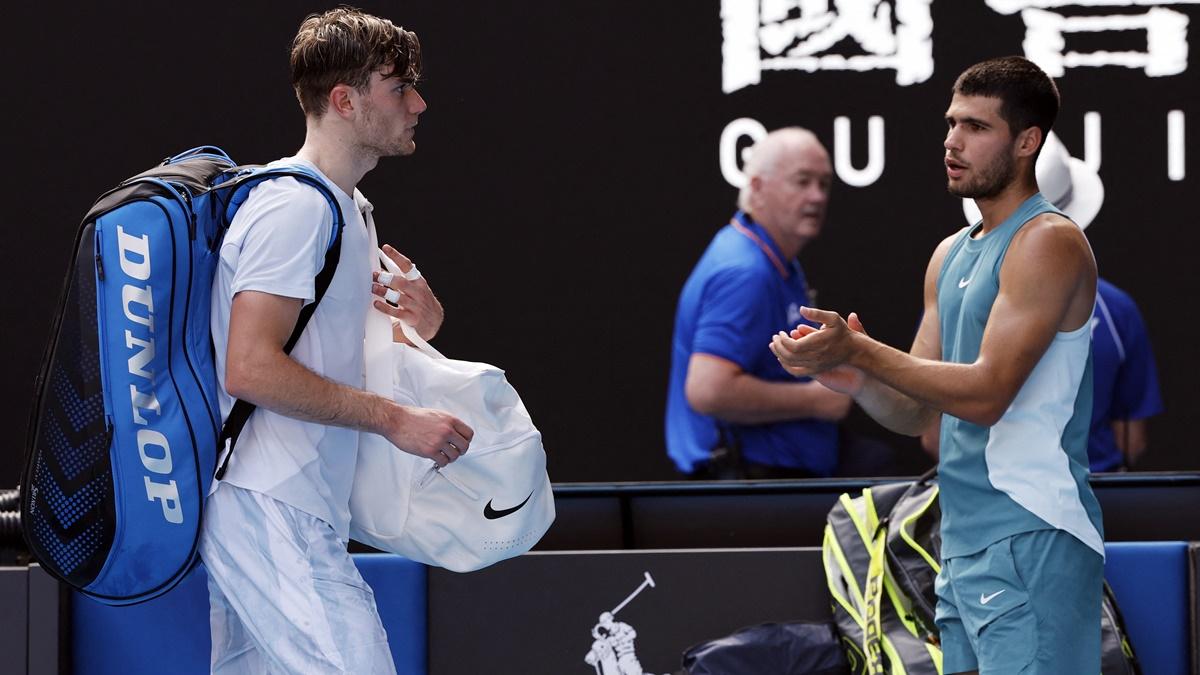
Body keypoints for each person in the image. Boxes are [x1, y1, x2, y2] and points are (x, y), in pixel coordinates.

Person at [771, 56, 1105, 673]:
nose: (952, 141)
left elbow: (986, 395)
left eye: (976, 127)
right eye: (951, 124)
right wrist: (855, 379)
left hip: (1033, 537)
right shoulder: (950, 253)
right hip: (960, 545)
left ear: (1027, 142)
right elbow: (916, 412)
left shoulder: (1050, 242)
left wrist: (861, 350)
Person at [200, 9, 474, 673]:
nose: (418, 102)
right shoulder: (295, 209)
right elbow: (250, 367)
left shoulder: (350, 208)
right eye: (399, 86)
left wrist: (420, 329)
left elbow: (338, 359)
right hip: (268, 506)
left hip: (289, 507)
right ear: (345, 101)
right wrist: (395, 420)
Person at [924, 132, 1166, 472]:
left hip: (988, 493)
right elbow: (1132, 439)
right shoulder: (1116, 309)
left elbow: (932, 433)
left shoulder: (958, 295)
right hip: (1093, 496)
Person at [665, 127, 852, 479]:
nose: (817, 196)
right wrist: (817, 400)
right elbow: (709, 390)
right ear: (757, 188)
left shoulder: (774, 260)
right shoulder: (746, 272)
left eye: (824, 184)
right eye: (802, 181)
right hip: (748, 488)